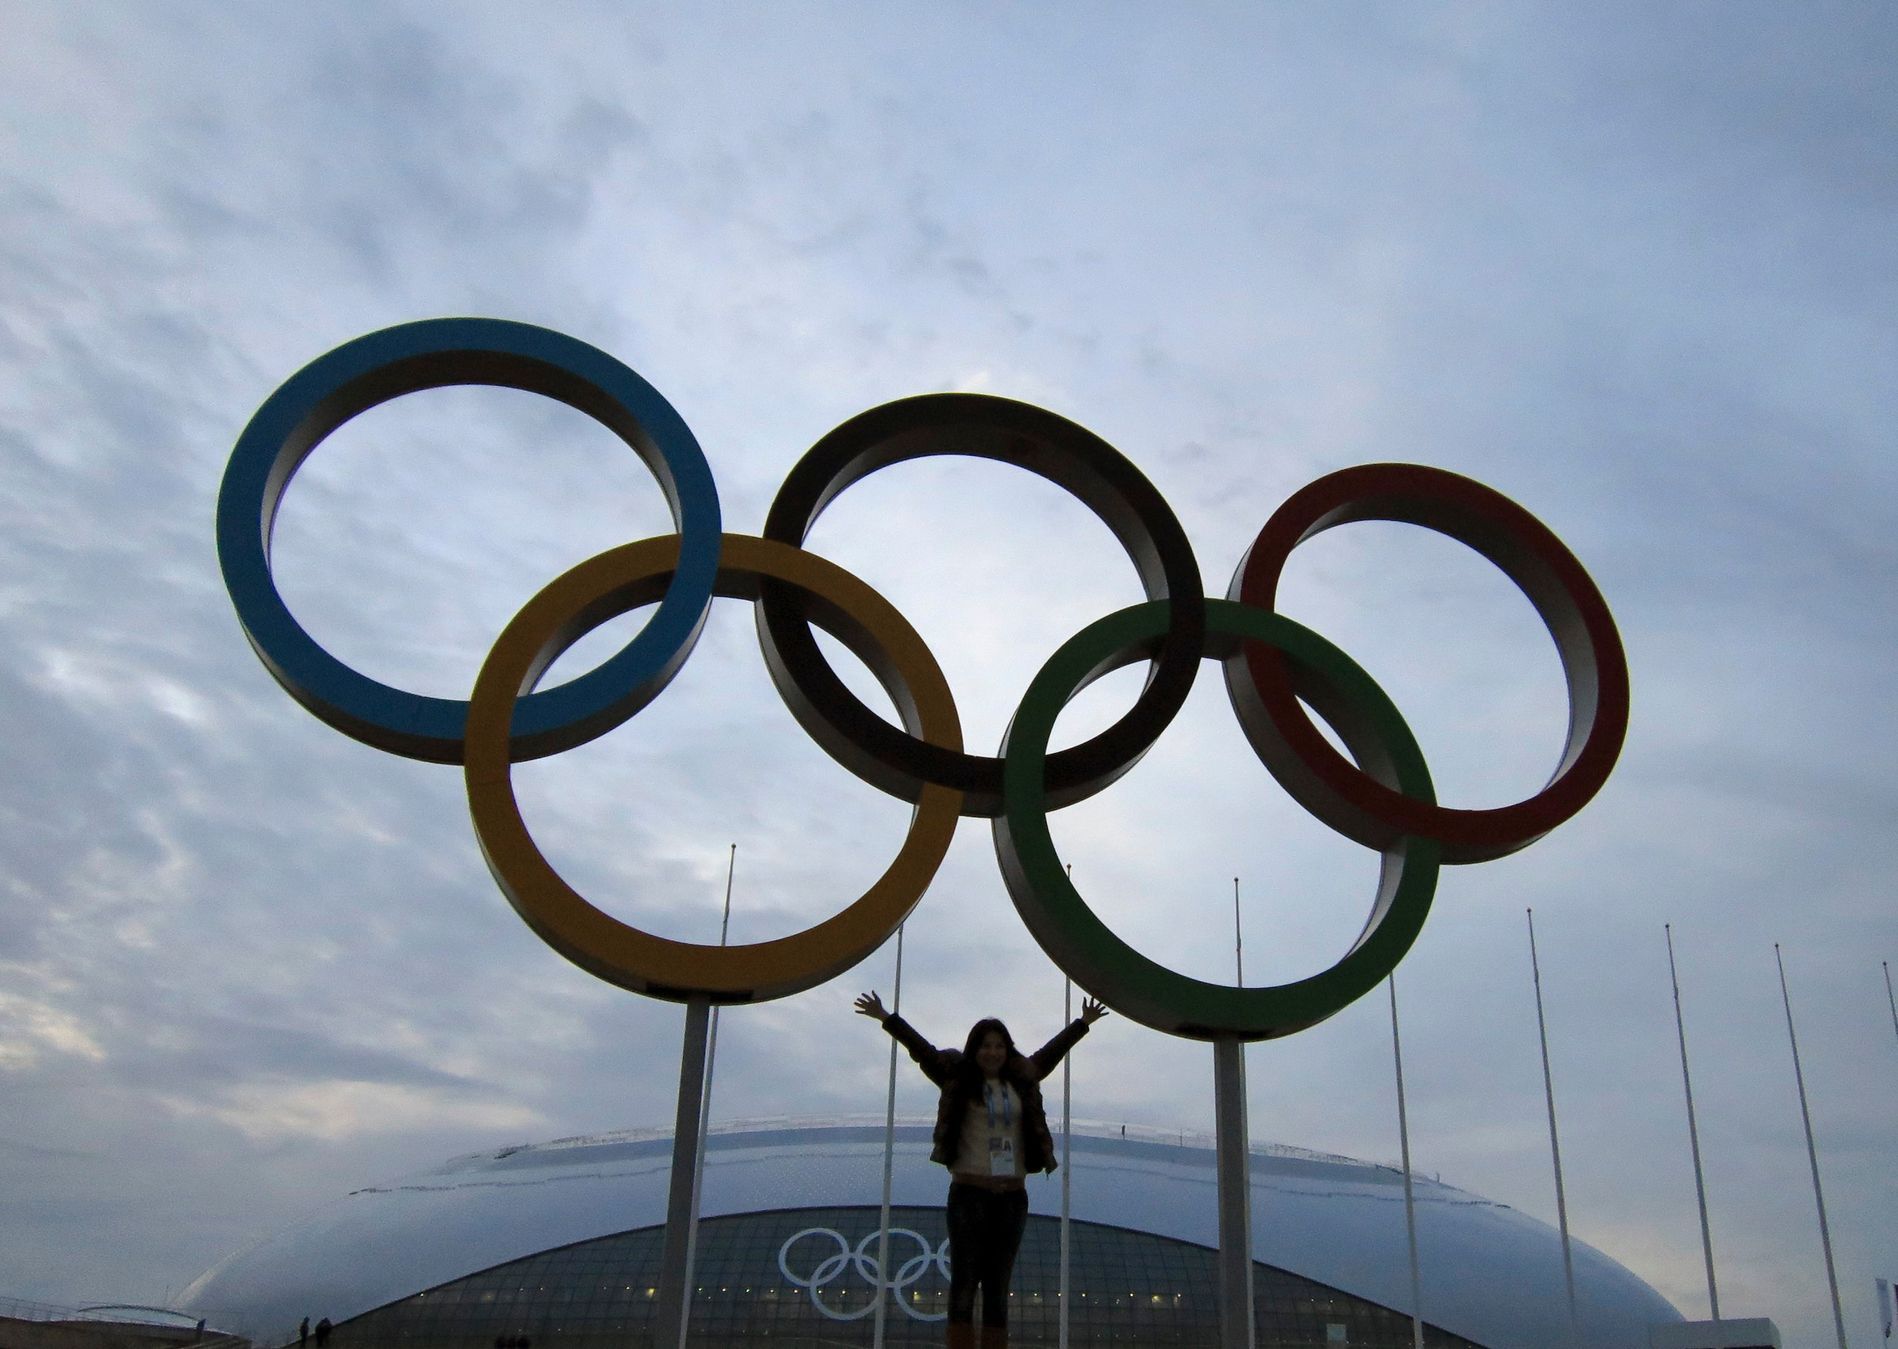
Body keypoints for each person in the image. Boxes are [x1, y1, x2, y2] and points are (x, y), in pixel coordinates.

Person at [855, 988, 1107, 1348]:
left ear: (1008, 1050)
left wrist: (1082, 1023)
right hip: (968, 1193)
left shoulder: (1022, 1079)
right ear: (974, 1049)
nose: (992, 1052)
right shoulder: (957, 1077)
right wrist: (886, 1018)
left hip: (1012, 1196)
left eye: (999, 1046)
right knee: (964, 1281)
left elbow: (1050, 1055)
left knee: (998, 1284)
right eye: (985, 1045)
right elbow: (922, 1051)